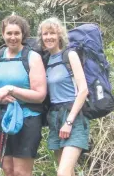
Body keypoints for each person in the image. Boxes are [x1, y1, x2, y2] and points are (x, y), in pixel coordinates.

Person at [0, 15, 47, 176]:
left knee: (21, 172)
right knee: (7, 170)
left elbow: (40, 95)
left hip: (27, 119)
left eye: (17, 33)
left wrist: (11, 89)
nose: (13, 37)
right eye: (9, 33)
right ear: (3, 34)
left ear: (23, 34)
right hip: (2, 118)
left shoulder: (32, 57)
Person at [38, 17, 89, 176]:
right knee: (68, 172)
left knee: (63, 173)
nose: (48, 37)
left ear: (60, 35)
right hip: (54, 117)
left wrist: (69, 121)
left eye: (52, 33)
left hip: (73, 117)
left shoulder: (70, 55)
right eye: (45, 34)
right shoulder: (46, 61)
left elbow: (83, 90)